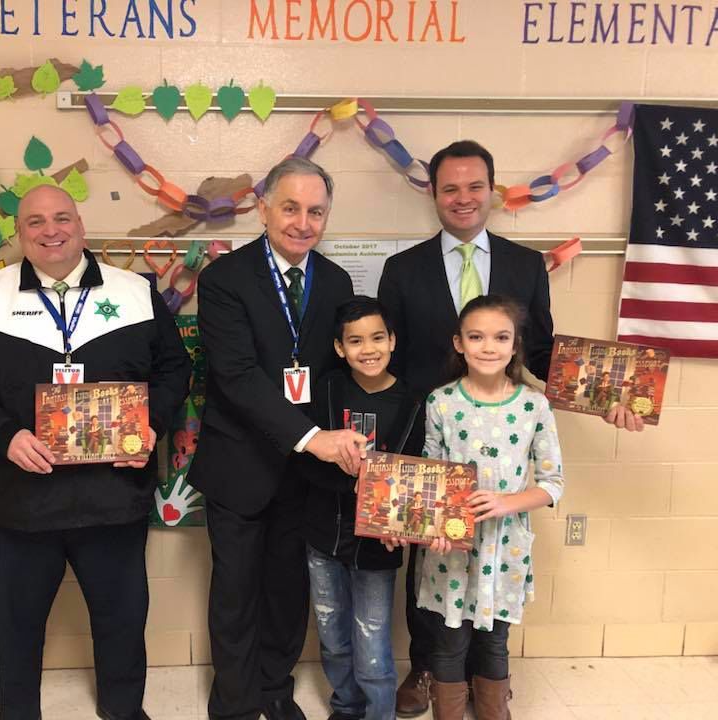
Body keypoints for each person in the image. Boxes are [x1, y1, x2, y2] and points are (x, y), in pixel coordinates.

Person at [377, 139, 639, 717]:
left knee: (489, 565)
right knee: (431, 561)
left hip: (501, 444)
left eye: (474, 187)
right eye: (450, 188)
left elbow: (543, 350)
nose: (462, 199)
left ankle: (486, 678)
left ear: (491, 191)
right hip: (432, 433)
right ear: (434, 195)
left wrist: (606, 399)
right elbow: (387, 363)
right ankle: (427, 668)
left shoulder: (524, 264)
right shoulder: (401, 269)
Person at [0, 184, 191, 720]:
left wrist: (151, 425)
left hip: (112, 498)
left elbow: (173, 370)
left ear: (80, 223)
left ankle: (124, 710)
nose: (50, 230)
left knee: (122, 619)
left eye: (61, 218)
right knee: (19, 624)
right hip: (19, 502)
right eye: (35, 222)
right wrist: (3, 436)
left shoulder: (137, 292)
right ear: (19, 234)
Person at [188, 157, 365, 720]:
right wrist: (312, 437)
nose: (302, 222)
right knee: (236, 591)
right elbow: (236, 376)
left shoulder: (335, 282)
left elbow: (341, 374)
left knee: (289, 592)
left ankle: (273, 687)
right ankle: (235, 703)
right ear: (263, 207)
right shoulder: (223, 280)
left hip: (306, 475)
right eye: (290, 207)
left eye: (316, 211)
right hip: (240, 465)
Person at [412, 294, 563, 719]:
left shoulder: (534, 405)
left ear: (515, 346)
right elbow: (430, 480)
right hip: (451, 552)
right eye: (476, 337)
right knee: (449, 641)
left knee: (494, 642)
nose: (488, 347)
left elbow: (552, 485)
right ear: (459, 343)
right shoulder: (440, 402)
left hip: (505, 551)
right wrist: (433, 527)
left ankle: (494, 710)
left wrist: (505, 502)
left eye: (500, 337)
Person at [299, 296, 422, 720]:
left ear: (393, 341)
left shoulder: (413, 401)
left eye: (376, 338)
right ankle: (345, 706)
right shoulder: (325, 390)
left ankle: (378, 712)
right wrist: (346, 474)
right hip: (323, 534)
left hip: (378, 545)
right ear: (339, 348)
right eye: (355, 341)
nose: (367, 349)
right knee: (332, 634)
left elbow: (418, 476)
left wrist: (396, 515)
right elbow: (302, 460)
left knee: (371, 639)